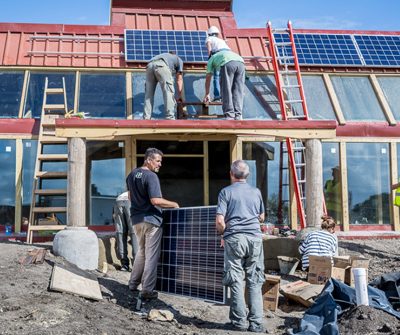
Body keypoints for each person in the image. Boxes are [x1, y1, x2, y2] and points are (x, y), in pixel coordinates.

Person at [216, 160, 266, 333]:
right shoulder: (256, 192)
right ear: (248, 175)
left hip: (235, 239)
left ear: (231, 174)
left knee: (236, 279)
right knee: (255, 280)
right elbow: (261, 217)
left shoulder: (225, 192)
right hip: (255, 239)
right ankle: (257, 323)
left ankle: (239, 322)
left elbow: (220, 221)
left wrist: (222, 233)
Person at [127, 147, 179, 300]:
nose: (159, 164)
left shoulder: (131, 175)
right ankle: (147, 290)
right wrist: (174, 204)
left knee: (141, 252)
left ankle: (132, 283)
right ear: (149, 160)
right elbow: (155, 200)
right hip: (151, 220)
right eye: (157, 161)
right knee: (151, 256)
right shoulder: (151, 176)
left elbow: (130, 197)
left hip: (136, 220)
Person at [203, 49, 245, 120]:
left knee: (226, 89)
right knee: (238, 90)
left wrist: (207, 93)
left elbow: (208, 77)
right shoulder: (225, 54)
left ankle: (229, 115)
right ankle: (238, 115)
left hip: (227, 63)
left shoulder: (211, 59)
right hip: (241, 63)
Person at [143, 52, 184, 120]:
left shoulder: (164, 56)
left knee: (148, 94)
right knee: (168, 90)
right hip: (161, 65)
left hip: (149, 65)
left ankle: (146, 118)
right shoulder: (178, 59)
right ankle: (170, 117)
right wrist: (180, 95)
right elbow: (179, 79)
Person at [112, 191, 138, 272]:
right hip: (130, 200)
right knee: (135, 233)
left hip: (118, 201)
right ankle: (136, 266)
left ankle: (124, 265)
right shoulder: (145, 188)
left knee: (121, 232)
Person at [205, 26, 231, 101]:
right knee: (225, 77)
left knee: (216, 76)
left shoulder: (209, 38)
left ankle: (217, 96)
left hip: (219, 55)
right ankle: (227, 96)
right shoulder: (221, 40)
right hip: (229, 55)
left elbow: (209, 46)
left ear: (209, 33)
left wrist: (210, 56)